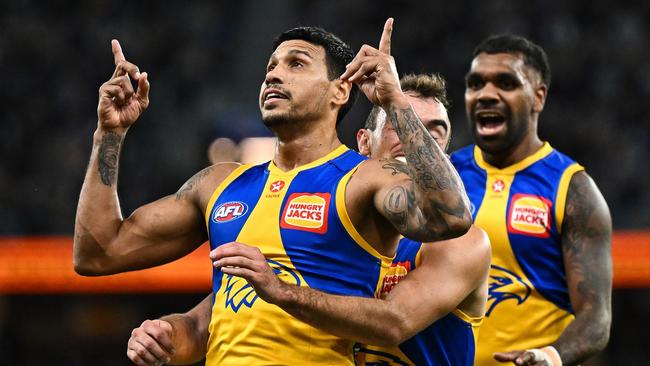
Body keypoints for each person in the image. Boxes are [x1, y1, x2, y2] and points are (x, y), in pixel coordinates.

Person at [74, 19, 471, 365]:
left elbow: (451, 217)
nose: (273, 75)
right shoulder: (220, 183)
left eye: (296, 63)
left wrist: (395, 100)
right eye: (271, 66)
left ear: (339, 91)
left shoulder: (364, 178)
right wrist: (109, 134)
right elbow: (98, 252)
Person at [451, 34, 612, 365]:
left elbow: (596, 320)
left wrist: (550, 357)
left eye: (506, 83)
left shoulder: (573, 189)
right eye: (475, 83)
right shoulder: (446, 175)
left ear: (538, 97)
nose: (486, 94)